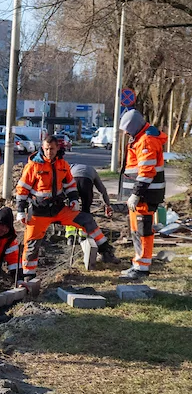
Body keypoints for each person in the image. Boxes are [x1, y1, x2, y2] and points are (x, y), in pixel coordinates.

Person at [16, 136, 117, 280]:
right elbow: (22, 189)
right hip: (39, 211)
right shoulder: (33, 166)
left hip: (58, 209)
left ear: (57, 148)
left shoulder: (62, 164)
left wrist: (74, 200)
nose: (49, 152)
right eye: (46, 149)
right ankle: (28, 276)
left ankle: (106, 251)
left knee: (87, 220)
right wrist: (20, 211)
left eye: (52, 149)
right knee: (32, 245)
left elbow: (70, 185)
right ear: (42, 148)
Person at [118, 109, 167, 280]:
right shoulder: (140, 139)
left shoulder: (146, 141)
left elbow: (146, 172)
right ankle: (138, 263)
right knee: (137, 231)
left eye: (126, 128)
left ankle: (142, 268)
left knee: (143, 230)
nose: (125, 133)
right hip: (141, 196)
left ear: (133, 126)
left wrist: (136, 194)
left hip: (145, 196)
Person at [64, 163, 114, 242]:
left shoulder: (70, 168)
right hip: (86, 183)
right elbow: (102, 190)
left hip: (73, 181)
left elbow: (62, 183)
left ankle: (70, 236)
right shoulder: (92, 170)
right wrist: (107, 205)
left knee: (71, 210)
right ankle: (82, 236)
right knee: (85, 211)